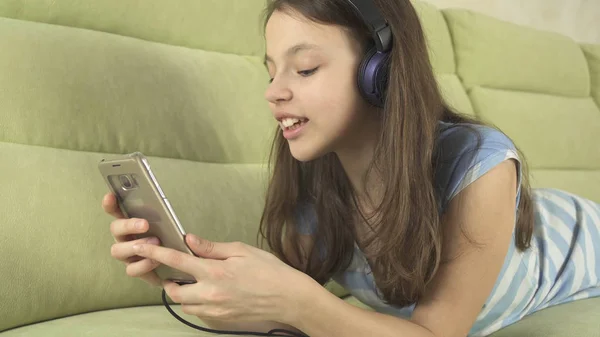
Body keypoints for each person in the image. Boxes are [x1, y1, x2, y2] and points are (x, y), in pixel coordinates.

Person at [102, 0, 600, 336]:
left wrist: (303, 303)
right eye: (271, 70)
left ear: (378, 72)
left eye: (305, 68)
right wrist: (180, 277)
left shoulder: (481, 166)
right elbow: (277, 309)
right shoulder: (312, 190)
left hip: (582, 240)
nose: (273, 91)